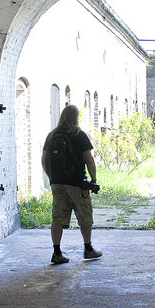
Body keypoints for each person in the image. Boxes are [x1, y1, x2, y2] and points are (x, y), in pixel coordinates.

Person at [41, 104, 102, 264]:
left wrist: (51, 176)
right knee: (85, 215)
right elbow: (89, 159)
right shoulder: (78, 134)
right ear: (76, 117)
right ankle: (88, 249)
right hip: (76, 183)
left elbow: (44, 159)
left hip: (57, 183)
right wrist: (93, 180)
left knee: (58, 217)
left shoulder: (51, 136)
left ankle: (56, 252)